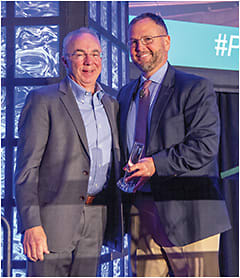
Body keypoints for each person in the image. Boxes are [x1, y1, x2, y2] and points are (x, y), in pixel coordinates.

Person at [117, 13, 231, 277]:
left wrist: (155, 164)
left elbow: (204, 146)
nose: (140, 47)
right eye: (134, 41)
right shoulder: (125, 93)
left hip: (189, 214)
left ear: (166, 42)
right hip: (140, 212)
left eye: (148, 39)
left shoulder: (194, 87)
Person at [15, 27, 122, 277]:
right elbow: (27, 170)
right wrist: (31, 225)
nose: (89, 61)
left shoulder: (112, 104)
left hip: (97, 217)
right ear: (65, 60)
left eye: (95, 54)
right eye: (80, 54)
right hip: (52, 223)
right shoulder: (43, 100)